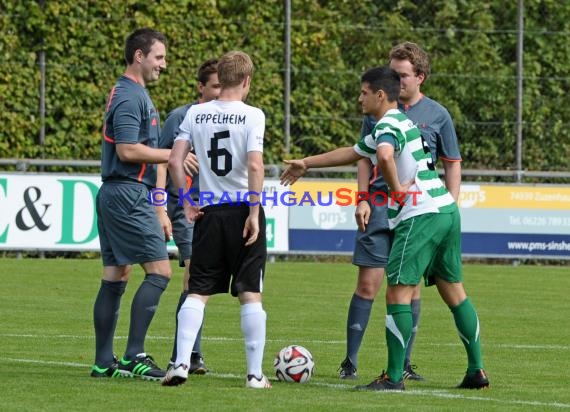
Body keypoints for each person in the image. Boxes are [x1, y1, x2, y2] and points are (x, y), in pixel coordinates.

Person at [282, 66, 488, 391]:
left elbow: (384, 154)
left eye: (364, 92)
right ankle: (476, 370)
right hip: (445, 210)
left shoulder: (388, 124)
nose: (359, 98)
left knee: (397, 292)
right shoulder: (399, 121)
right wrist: (306, 162)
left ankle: (393, 377)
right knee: (454, 292)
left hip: (420, 216)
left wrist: (396, 189)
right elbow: (353, 152)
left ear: (380, 95)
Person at [338, 41, 462, 381]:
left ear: (419, 77)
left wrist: (449, 203)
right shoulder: (379, 109)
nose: (395, 79)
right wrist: (361, 198)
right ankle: (350, 362)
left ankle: (403, 365)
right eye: (392, 73)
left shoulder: (438, 115)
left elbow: (451, 163)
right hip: (379, 206)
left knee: (411, 288)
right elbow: (363, 156)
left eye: (402, 74)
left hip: (418, 210)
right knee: (368, 284)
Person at [162, 51, 271, 389]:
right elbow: (255, 165)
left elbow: (175, 162)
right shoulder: (253, 115)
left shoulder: (195, 113)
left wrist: (186, 202)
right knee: (250, 292)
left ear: (220, 79)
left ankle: (180, 363)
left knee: (197, 291)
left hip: (209, 212)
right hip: (241, 209)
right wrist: (254, 212)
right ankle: (254, 375)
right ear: (246, 81)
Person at [90, 28, 171, 381]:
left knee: (116, 274)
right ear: (139, 56)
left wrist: (158, 204)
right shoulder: (129, 96)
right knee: (161, 272)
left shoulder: (131, 93)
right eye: (159, 57)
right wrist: (173, 153)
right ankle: (134, 354)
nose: (163, 65)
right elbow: (126, 149)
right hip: (126, 192)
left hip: (119, 192)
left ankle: (103, 362)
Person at [157, 58, 221, 375]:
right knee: (195, 274)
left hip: (212, 207)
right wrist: (159, 205)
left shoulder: (228, 118)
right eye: (215, 86)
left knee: (201, 280)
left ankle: (191, 355)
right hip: (183, 205)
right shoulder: (180, 117)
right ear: (200, 86)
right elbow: (160, 159)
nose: (221, 92)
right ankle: (183, 356)